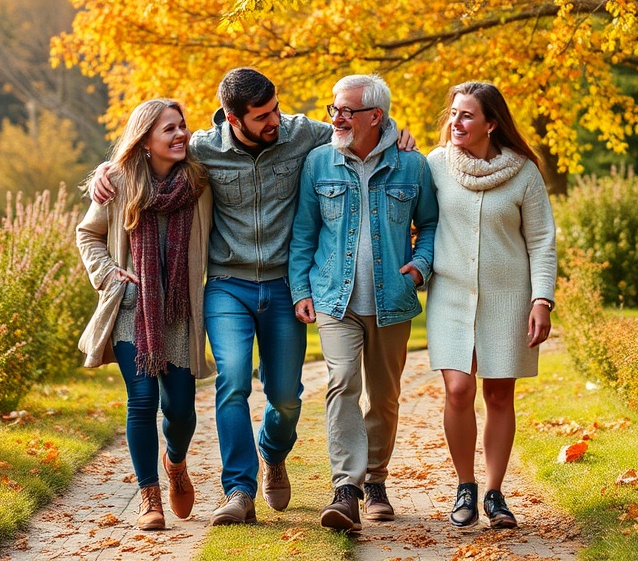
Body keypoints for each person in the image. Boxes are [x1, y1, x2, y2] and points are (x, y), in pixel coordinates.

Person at [91, 68, 416, 526]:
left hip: (284, 286)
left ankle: (272, 453)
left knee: (286, 398)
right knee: (234, 382)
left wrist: (397, 133)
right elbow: (148, 157)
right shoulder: (203, 148)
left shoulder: (302, 133)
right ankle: (239, 491)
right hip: (228, 285)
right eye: (262, 116)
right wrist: (107, 170)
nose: (274, 121)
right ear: (232, 118)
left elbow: (360, 129)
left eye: (276, 109)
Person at [289, 74, 438, 532]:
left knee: (385, 396)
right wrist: (301, 290)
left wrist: (420, 266)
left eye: (346, 111)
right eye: (333, 108)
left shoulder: (412, 165)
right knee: (342, 383)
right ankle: (346, 490)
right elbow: (304, 232)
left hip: (392, 300)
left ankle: (376, 481)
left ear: (376, 116)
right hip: (335, 299)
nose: (336, 117)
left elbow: (431, 224)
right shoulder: (319, 162)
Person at [76, 98, 213, 531]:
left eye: (182, 126)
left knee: (181, 409)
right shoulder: (118, 182)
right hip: (132, 310)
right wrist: (108, 273)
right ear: (145, 139)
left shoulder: (199, 180)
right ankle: (149, 496)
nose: (180, 134)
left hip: (180, 312)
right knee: (141, 401)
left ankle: (176, 462)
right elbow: (88, 234)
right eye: (168, 129)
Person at [425, 81, 556, 530]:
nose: (456, 122)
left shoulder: (524, 173)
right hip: (451, 295)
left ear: (491, 124)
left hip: (508, 298)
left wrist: (542, 299)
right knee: (458, 390)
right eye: (453, 113)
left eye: (466, 115)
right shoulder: (435, 165)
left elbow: (541, 241)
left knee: (499, 394)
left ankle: (495, 493)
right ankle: (465, 485)